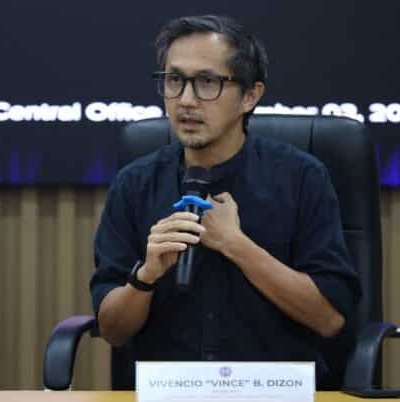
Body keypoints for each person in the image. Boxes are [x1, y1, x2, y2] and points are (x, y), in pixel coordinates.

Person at [90, 15, 361, 385]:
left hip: (272, 389)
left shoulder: (302, 178)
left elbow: (329, 319)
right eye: (174, 81)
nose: (186, 100)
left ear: (250, 96)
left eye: (207, 82)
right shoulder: (134, 185)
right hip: (171, 390)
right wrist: (146, 276)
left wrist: (235, 245)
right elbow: (112, 330)